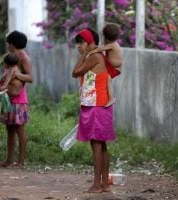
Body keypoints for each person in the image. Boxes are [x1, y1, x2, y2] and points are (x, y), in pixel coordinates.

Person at [72, 28, 115, 193]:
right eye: (77, 43)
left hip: (97, 106)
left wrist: (85, 54)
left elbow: (74, 72)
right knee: (101, 145)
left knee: (97, 145)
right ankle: (104, 184)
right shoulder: (95, 56)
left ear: (90, 43)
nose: (78, 46)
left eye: (81, 42)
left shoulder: (95, 57)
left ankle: (97, 184)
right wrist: (86, 53)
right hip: (98, 105)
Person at [0, 31, 33, 169]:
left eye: (8, 43)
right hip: (7, 98)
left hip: (18, 100)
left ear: (12, 44)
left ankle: (21, 162)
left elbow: (30, 78)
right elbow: (5, 76)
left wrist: (16, 74)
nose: (7, 45)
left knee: (19, 129)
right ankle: (9, 160)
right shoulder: (11, 58)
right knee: (9, 129)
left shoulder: (23, 58)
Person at [89, 23, 122, 107]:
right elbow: (101, 46)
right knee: (106, 79)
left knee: (107, 79)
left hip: (114, 68)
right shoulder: (112, 44)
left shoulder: (112, 45)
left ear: (105, 37)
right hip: (112, 67)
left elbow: (100, 49)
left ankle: (111, 98)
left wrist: (90, 52)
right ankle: (108, 97)